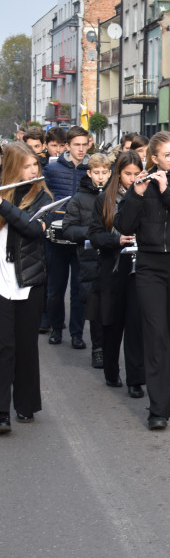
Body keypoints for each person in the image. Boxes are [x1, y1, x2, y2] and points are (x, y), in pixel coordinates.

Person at [114, 132, 170, 430]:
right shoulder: (142, 184)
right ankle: (157, 407)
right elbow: (125, 225)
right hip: (150, 264)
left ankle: (167, 395)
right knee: (155, 335)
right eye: (169, 155)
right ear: (154, 158)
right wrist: (137, 195)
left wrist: (169, 195)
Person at [0, 142, 53, 433]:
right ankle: (1, 412)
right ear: (12, 167)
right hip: (0, 277)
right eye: (26, 166)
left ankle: (26, 403)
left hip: (28, 279)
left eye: (35, 165)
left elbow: (32, 229)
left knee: (25, 345)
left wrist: (3, 205)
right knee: (3, 345)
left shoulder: (41, 196)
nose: (33, 171)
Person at [89, 151, 146, 398]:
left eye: (136, 174)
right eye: (127, 174)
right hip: (112, 267)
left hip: (138, 268)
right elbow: (94, 234)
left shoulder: (146, 195)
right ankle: (111, 370)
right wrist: (116, 239)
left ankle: (135, 379)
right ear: (118, 173)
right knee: (112, 324)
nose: (132, 179)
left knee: (136, 326)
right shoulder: (104, 198)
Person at [59, 153, 112, 369]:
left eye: (104, 173)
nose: (101, 177)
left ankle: (110, 348)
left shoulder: (115, 195)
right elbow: (67, 228)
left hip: (112, 255)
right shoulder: (79, 199)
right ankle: (97, 349)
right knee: (96, 307)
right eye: (96, 173)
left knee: (113, 307)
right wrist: (90, 232)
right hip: (90, 258)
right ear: (89, 173)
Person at [42, 125, 92, 350]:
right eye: (76, 145)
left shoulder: (91, 169)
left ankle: (77, 334)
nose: (81, 149)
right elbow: (44, 197)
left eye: (84, 145)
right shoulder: (52, 170)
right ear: (67, 146)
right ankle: (56, 328)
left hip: (81, 236)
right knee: (55, 289)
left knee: (79, 289)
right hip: (56, 237)